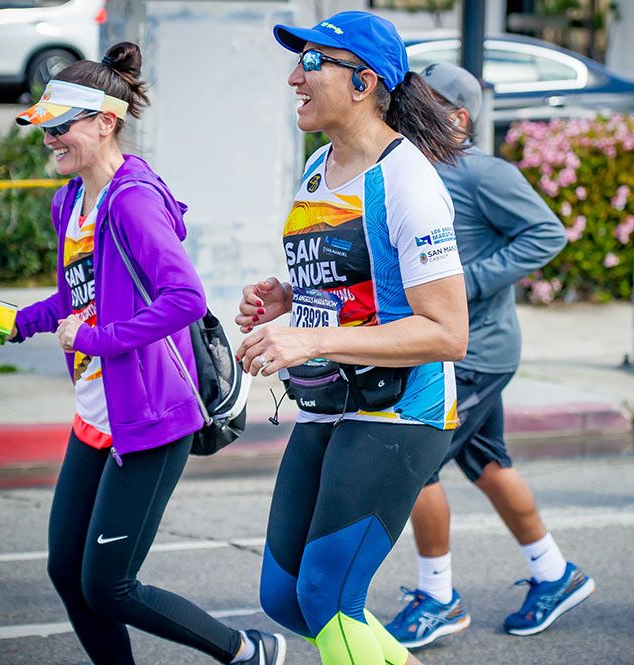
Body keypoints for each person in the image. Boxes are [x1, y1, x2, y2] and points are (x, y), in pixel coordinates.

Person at [0, 42, 285, 665]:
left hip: (151, 415)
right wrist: (10, 324)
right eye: (44, 128)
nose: (49, 140)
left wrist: (97, 340)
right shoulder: (69, 202)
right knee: (67, 573)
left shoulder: (133, 201)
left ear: (105, 122)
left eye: (62, 127)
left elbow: (185, 298)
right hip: (96, 413)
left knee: (107, 586)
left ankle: (246, 650)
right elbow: (73, 299)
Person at [234, 11, 469, 665]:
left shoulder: (406, 180)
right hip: (327, 406)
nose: (294, 77)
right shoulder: (319, 166)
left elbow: (448, 333)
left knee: (327, 594)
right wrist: (291, 293)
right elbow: (357, 273)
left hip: (398, 411)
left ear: (363, 83)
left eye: (313, 63)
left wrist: (308, 340)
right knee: (286, 597)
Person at [379, 62, 593, 648]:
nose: (406, 105)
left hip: (474, 351)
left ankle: (439, 597)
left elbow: (547, 233)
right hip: (455, 349)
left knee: (416, 468)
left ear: (457, 116)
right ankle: (555, 573)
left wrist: (465, 282)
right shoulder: (410, 169)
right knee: (488, 463)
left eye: (422, 98)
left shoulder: (482, 172)